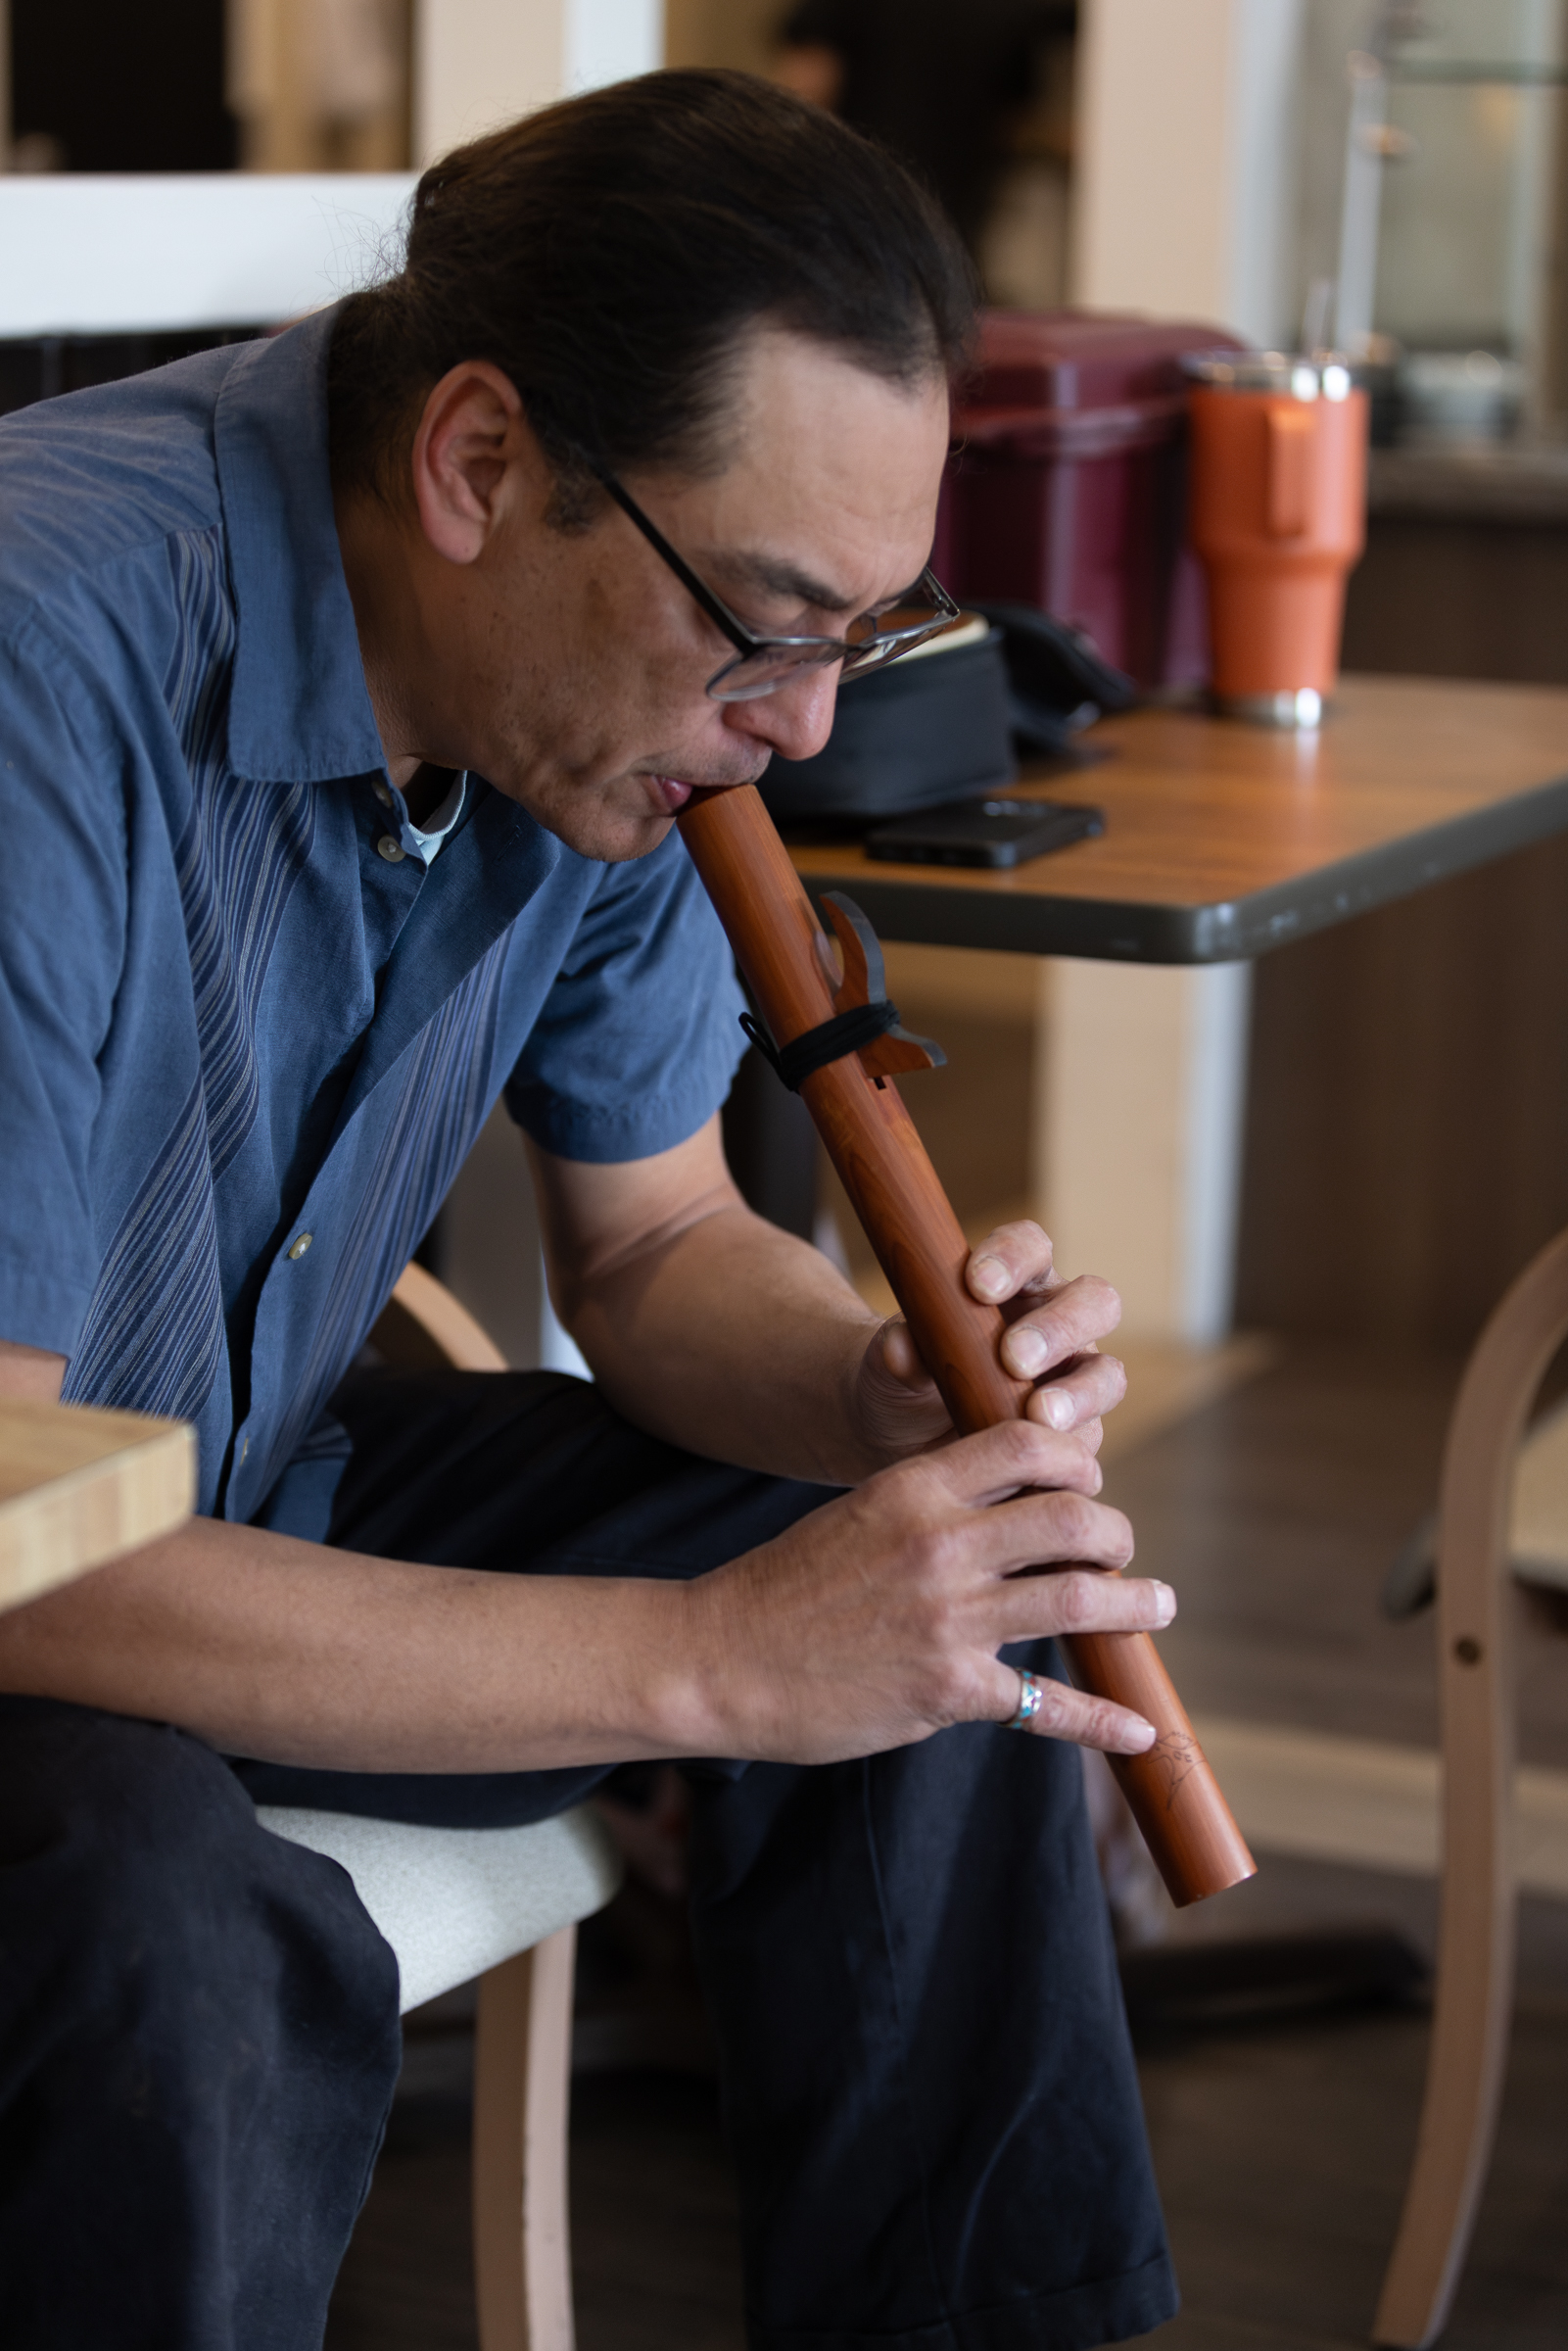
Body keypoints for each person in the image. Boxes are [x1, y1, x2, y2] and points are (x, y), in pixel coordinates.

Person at [0, 69, 1179, 2351]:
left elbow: (648, 1251)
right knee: (155, 1917)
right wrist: (727, 1661)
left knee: (954, 1606)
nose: (811, 724)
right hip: (35, 1544)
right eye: (769, 616)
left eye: (868, 629)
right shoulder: (44, 649)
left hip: (234, 1479)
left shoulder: (607, 714)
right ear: (476, 464)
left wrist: (876, 1394)